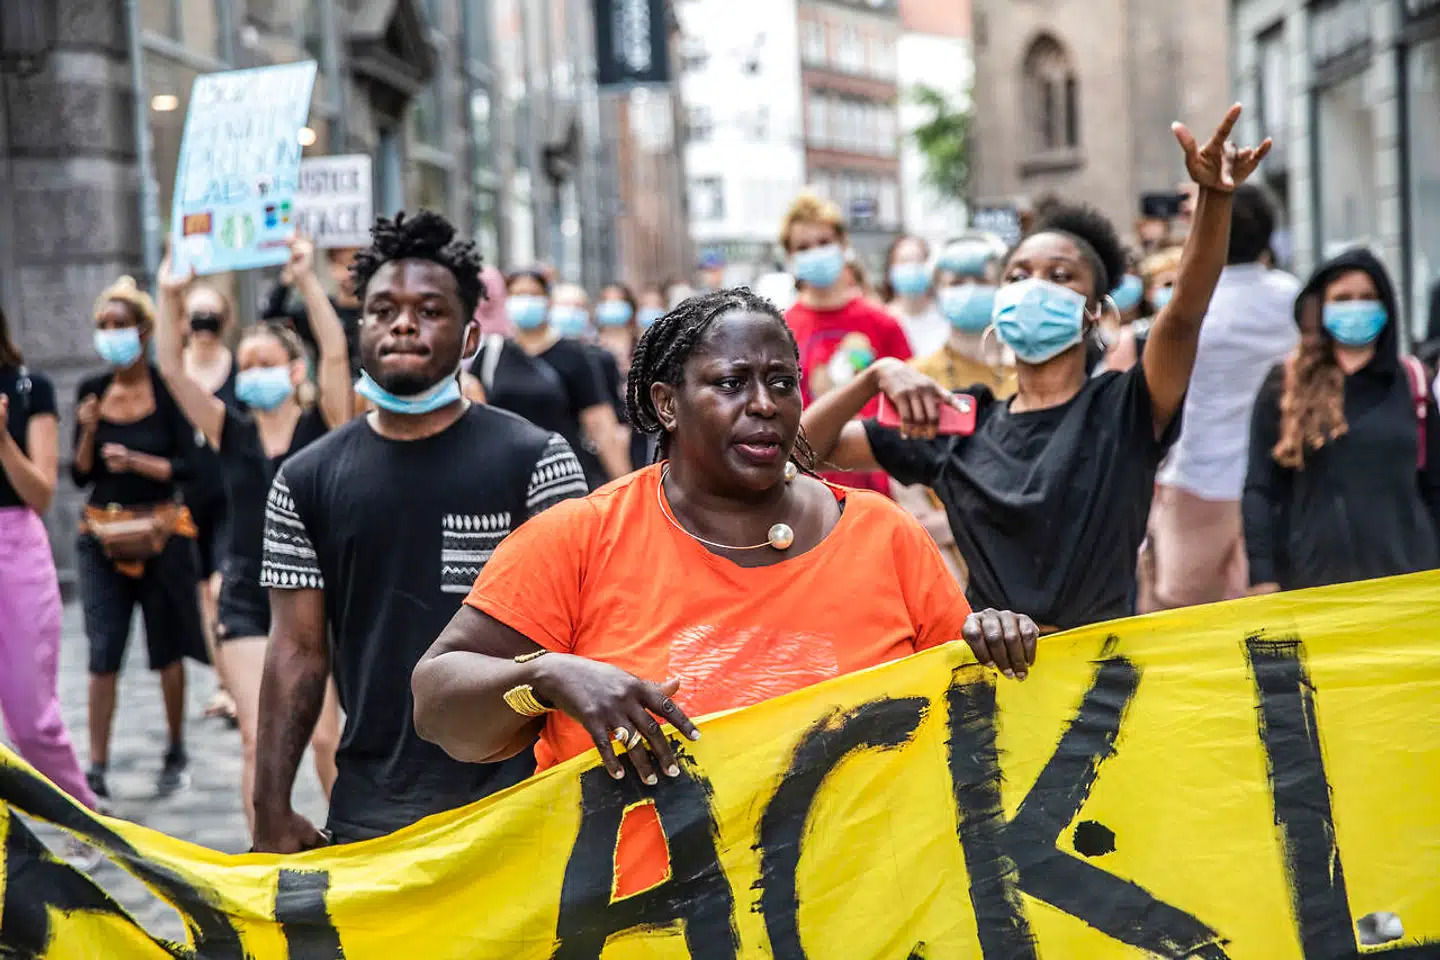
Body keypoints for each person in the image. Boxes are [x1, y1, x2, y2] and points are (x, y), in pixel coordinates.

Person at [410, 287, 1038, 800]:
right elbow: (437, 705)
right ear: (667, 404)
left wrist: (999, 644)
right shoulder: (580, 536)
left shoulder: (884, 534)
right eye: (732, 383)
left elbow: (973, 720)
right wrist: (545, 677)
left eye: (783, 383)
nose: (764, 405)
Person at [802, 106, 1272, 631]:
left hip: (1105, 671)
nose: (1034, 287)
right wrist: (873, 377)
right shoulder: (959, 421)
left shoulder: (1126, 410)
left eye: (1060, 275)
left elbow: (1184, 313)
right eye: (1018, 275)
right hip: (988, 672)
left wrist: (1215, 198)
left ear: (1093, 311)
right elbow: (802, 452)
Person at [251, 211, 589, 853]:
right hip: (373, 812)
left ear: (469, 337)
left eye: (429, 311)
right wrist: (269, 807)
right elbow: (295, 651)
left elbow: (583, 634)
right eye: (382, 310)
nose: (402, 324)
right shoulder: (304, 480)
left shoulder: (537, 462)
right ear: (359, 328)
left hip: (524, 806)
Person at [155, 238, 346, 832]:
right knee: (256, 740)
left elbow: (336, 352)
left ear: (294, 370)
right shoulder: (229, 431)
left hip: (316, 593)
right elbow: (171, 369)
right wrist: (169, 294)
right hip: (246, 592)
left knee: (326, 739)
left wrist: (306, 279)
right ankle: (266, 852)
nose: (255, 372)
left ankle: (354, 849)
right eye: (248, 364)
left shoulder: (325, 424)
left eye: (267, 362)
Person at [74, 276, 208, 800]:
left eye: (120, 324)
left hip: (161, 532)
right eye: (103, 325)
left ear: (144, 331)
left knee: (166, 648)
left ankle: (176, 749)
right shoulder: (91, 390)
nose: (111, 334)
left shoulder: (168, 389)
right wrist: (89, 429)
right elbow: (79, 474)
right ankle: (96, 767)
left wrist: (135, 461)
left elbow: (189, 467)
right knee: (103, 648)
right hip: (101, 537)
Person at [1140, 185, 1300, 612]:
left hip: (1198, 474)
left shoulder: (1190, 306)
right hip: (1274, 473)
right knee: (1262, 613)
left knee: (1182, 610)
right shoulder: (1291, 297)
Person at [1244, 247, 1440, 595]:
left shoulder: (1414, 383)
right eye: (1342, 299)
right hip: (1314, 586)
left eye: (1367, 298)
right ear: (1320, 308)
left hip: (1409, 586)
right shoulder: (1284, 385)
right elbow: (1260, 489)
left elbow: (1435, 487)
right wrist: (1262, 574)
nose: (1355, 307)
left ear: (1386, 307)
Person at [0, 308, 99, 816]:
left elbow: (40, 493)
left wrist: (2, 441)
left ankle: (80, 820)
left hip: (14, 546)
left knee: (32, 719)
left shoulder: (27, 389)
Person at [895, 234, 1018, 586]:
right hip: (946, 563)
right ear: (937, 290)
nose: (969, 290)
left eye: (981, 280)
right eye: (957, 282)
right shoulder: (915, 378)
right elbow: (907, 487)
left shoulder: (1026, 373)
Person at [781, 191, 912, 495]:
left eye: (824, 242)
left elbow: (907, 404)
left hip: (876, 486)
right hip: (804, 486)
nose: (816, 252)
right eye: (803, 247)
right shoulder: (780, 329)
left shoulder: (882, 322)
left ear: (843, 245)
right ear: (790, 257)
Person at [497, 270, 629, 488]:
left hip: (562, 475)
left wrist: (624, 485)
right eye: (518, 294)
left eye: (533, 294)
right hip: (504, 476)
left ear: (547, 300)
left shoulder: (575, 355)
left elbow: (600, 424)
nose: (525, 302)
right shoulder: (493, 354)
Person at [178, 283, 237, 723]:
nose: (203, 325)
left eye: (210, 317)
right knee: (203, 593)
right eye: (196, 315)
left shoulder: (237, 368)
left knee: (222, 586)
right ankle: (223, 683)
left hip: (230, 494)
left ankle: (236, 682)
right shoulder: (175, 371)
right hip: (186, 496)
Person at [884, 235, 947, 357]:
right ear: (890, 270)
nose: (911, 267)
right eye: (904, 261)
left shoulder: (946, 317)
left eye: (918, 261)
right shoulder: (882, 319)